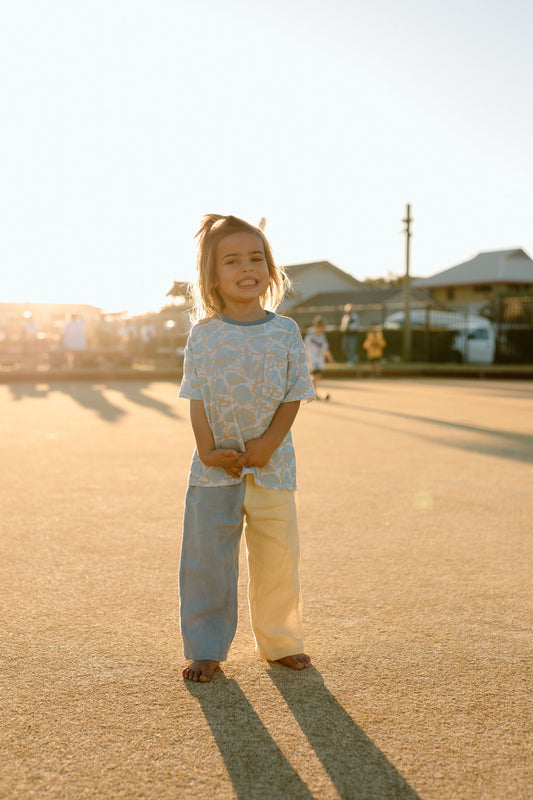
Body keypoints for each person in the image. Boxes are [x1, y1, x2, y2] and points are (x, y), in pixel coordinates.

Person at [178, 214, 316, 683]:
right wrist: (207, 450)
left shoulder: (285, 331)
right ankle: (206, 647)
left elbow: (295, 393)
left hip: (273, 468)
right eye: (232, 260)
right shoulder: (203, 335)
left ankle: (281, 641)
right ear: (212, 277)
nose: (246, 267)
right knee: (207, 560)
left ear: (271, 269)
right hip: (213, 470)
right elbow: (195, 397)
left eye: (256, 258)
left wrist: (267, 446)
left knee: (277, 557)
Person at [304, 315, 334, 400]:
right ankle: (311, 392)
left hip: (320, 360)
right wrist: (306, 359)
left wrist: (330, 358)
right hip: (312, 360)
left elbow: (325, 349)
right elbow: (305, 349)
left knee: (318, 375)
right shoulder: (309, 337)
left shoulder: (322, 337)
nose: (321, 329)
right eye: (319, 327)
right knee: (316, 375)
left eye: (322, 327)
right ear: (315, 327)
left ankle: (313, 392)